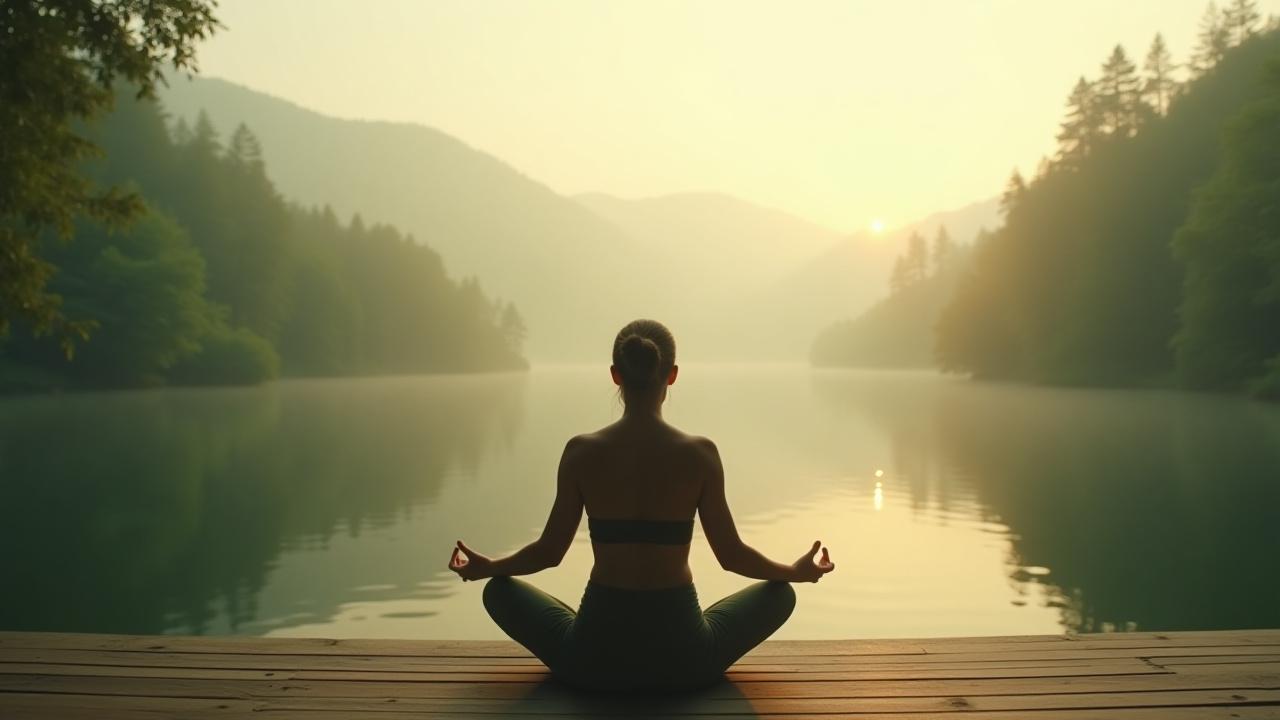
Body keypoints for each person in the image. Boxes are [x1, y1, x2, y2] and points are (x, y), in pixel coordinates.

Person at [447, 319, 834, 691]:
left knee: (497, 591)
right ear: (672, 374)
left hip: (590, 663)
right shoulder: (700, 454)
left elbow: (549, 553)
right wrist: (794, 572)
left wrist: (489, 567)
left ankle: (583, 637)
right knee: (781, 594)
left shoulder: (581, 452)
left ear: (616, 374)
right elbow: (731, 556)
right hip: (687, 663)